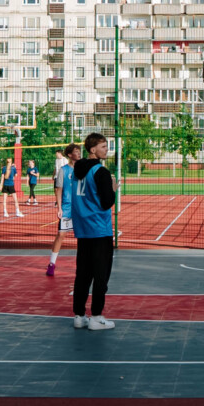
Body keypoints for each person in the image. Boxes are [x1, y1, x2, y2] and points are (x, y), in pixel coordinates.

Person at [71, 133, 117, 330]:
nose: (107, 149)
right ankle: (97, 317)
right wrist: (113, 189)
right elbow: (107, 202)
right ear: (93, 150)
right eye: (104, 146)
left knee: (82, 274)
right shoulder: (101, 172)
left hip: (83, 229)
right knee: (100, 276)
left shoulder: (76, 170)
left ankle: (79, 316)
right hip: (99, 228)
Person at [45, 148, 75, 277]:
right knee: (61, 235)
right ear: (69, 154)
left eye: (80, 152)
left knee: (85, 237)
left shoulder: (83, 169)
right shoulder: (64, 170)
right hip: (67, 207)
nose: (79, 154)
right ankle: (52, 263)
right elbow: (58, 189)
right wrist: (60, 208)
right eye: (76, 152)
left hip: (81, 208)